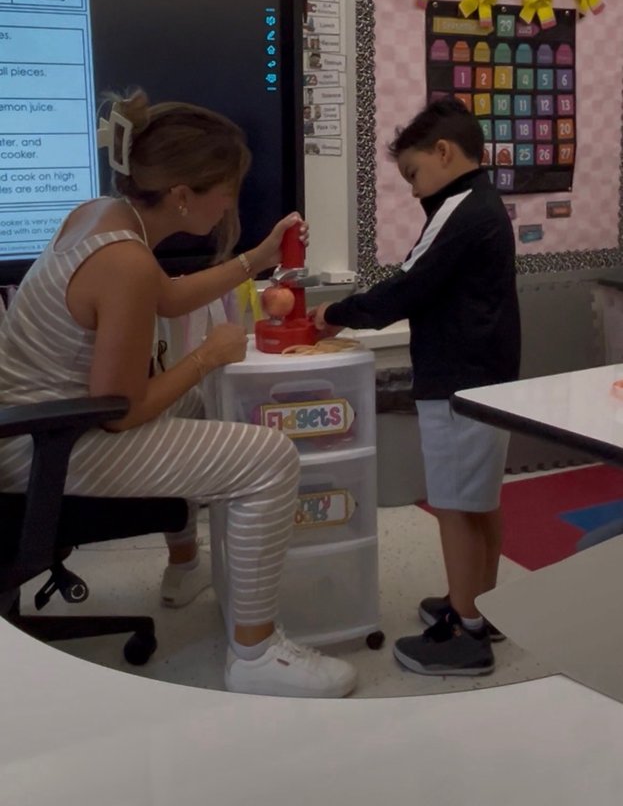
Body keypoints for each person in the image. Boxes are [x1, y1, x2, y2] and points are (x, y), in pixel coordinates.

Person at [0, 90, 356, 699]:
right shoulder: (125, 262)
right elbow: (123, 412)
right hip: (45, 446)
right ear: (184, 196)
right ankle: (256, 654)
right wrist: (205, 356)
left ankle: (185, 566)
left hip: (32, 425)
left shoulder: (99, 216)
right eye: (227, 191)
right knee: (267, 458)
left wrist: (258, 258)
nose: (230, 205)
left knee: (200, 405)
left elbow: (164, 296)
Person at [311, 96, 520, 677]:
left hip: (459, 378)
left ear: (445, 153)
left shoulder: (461, 207)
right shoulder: (482, 204)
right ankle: (482, 603)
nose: (410, 188)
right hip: (488, 372)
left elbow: (408, 285)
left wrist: (335, 315)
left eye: (413, 173)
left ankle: (466, 630)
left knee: (454, 504)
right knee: (479, 498)